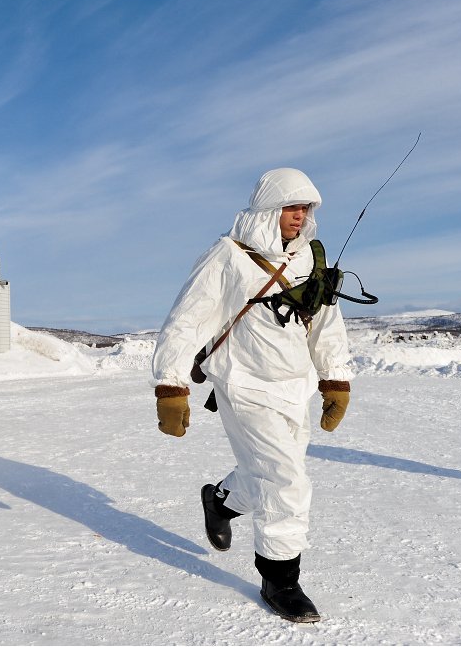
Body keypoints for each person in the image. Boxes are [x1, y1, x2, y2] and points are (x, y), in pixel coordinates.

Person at [150, 167, 353, 624]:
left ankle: (220, 501)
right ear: (269, 208)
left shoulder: (308, 260)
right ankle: (280, 579)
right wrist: (170, 384)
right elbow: (186, 320)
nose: (300, 216)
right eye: (292, 207)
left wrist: (334, 379)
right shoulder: (227, 256)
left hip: (293, 387)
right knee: (285, 481)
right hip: (242, 384)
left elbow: (325, 325)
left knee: (275, 469)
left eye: (307, 208)